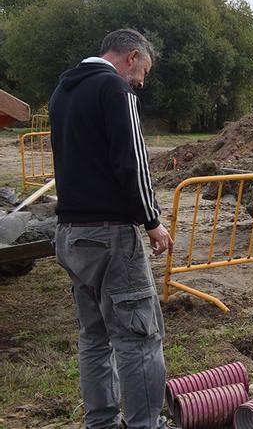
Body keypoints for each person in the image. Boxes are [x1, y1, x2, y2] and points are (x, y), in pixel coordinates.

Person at [49, 29, 173, 429]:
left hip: (71, 235)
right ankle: (144, 424)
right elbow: (132, 162)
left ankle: (101, 422)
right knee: (139, 339)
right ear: (132, 56)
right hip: (110, 238)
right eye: (144, 72)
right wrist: (152, 221)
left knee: (94, 337)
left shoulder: (62, 93)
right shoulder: (115, 90)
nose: (141, 82)